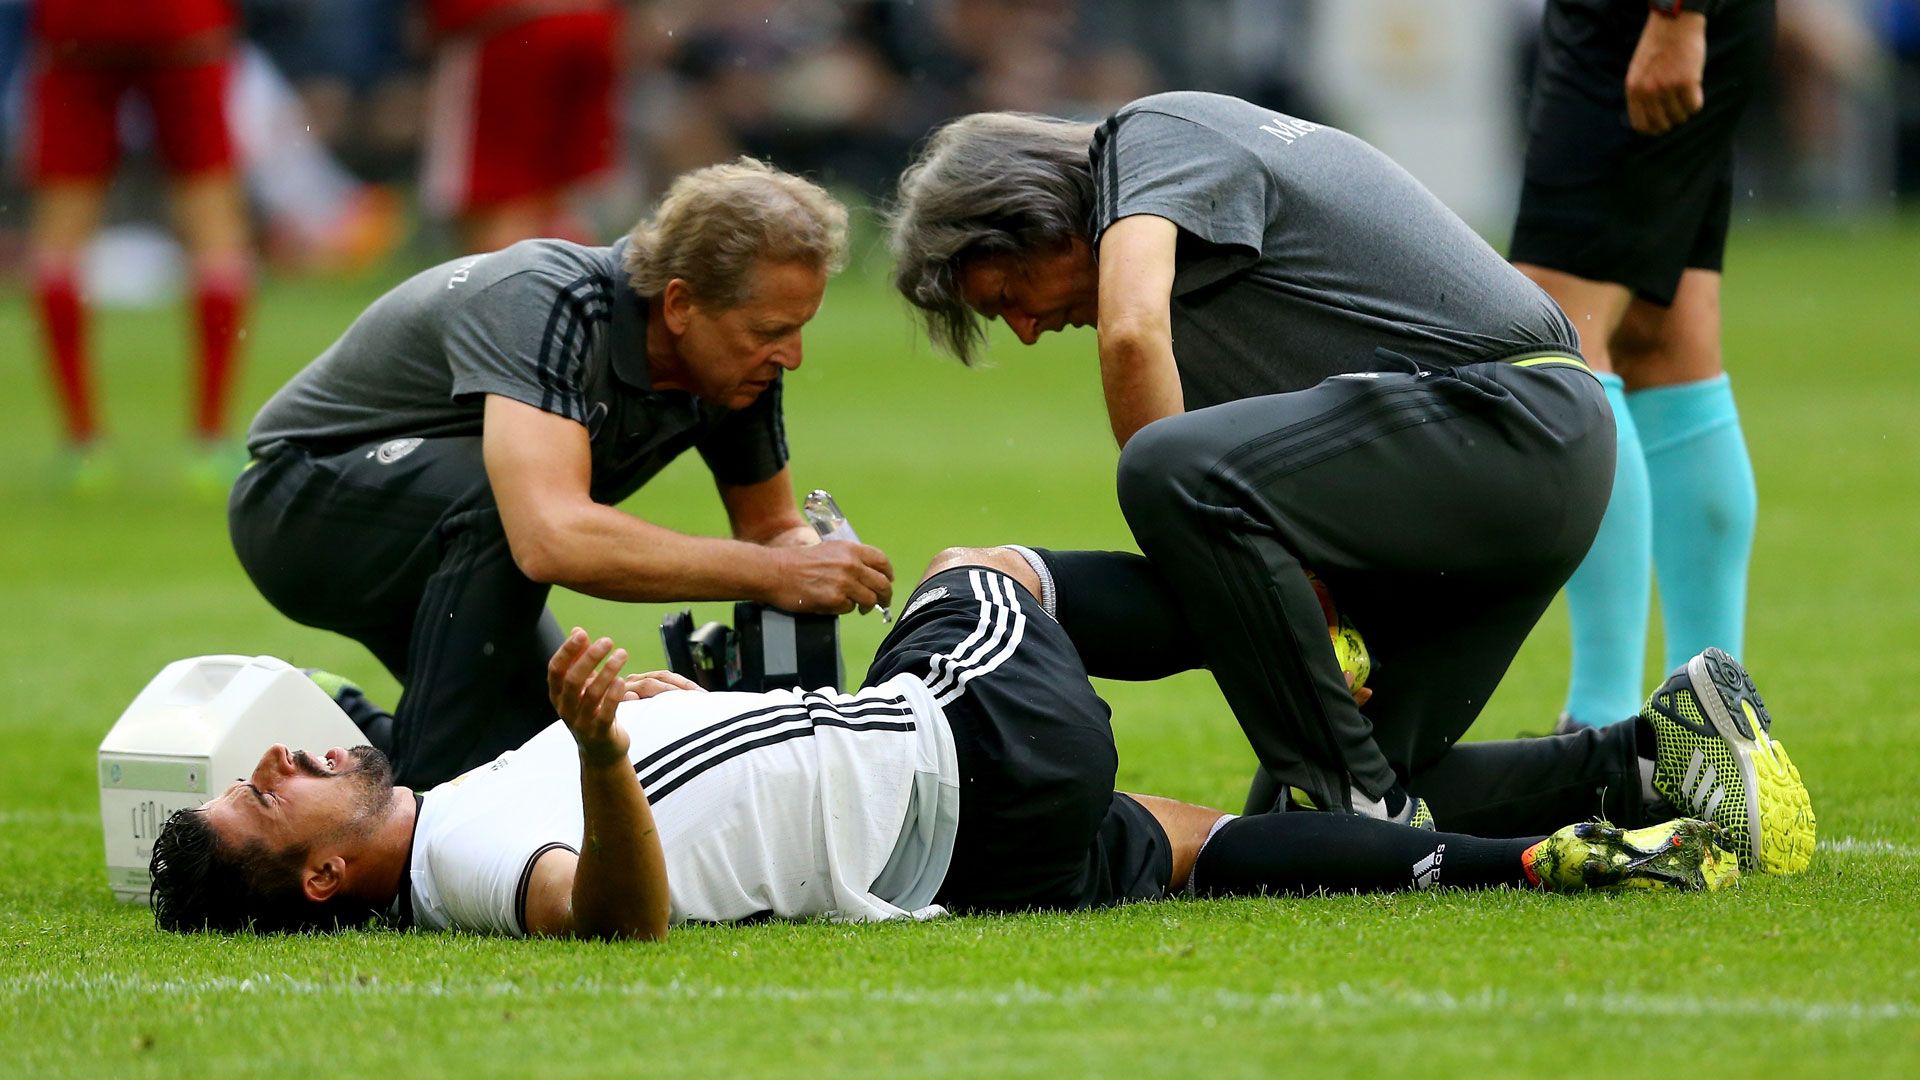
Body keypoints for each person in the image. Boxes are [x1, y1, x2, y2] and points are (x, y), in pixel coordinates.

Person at [884, 91, 1813, 876]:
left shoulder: (1146, 137)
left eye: (1006, 296)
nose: (1027, 331)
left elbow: (1139, 355)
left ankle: (1357, 798)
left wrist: (1069, 558)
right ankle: (1660, 759)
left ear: (1032, 209)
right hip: (1508, 467)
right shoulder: (1205, 300)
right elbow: (1266, 521)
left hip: (1510, 423)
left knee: (1168, 469)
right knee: (1306, 821)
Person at [148, 545, 1748, 939]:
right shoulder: (472, 858)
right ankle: (1298, 623)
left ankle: (1539, 859)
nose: (274, 762)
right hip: (952, 744)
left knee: (1194, 848)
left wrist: (663, 709)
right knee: (985, 572)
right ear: (321, 879)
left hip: (954, 852)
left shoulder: (455, 808)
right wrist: (613, 750)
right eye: (258, 802)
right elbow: (613, 916)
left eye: (255, 764)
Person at [228, 158, 894, 790]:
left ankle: (335, 718)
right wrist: (781, 573)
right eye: (772, 329)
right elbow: (548, 537)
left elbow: (770, 531)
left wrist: (820, 563)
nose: (794, 355)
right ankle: (419, 815)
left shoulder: (740, 367)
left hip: (458, 538)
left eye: (800, 327)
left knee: (541, 750)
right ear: (680, 304)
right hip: (298, 504)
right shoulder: (548, 299)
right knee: (507, 508)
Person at [1510, 0, 1775, 734]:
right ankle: (1714, 740)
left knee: (1553, 339)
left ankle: (1603, 728)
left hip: (1639, 22)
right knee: (1665, 344)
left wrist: (1676, 14)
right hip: (1649, 22)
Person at [24, 0, 252, 494]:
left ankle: (82, 445)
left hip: (77, 25)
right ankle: (210, 441)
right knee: (213, 222)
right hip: (180, 20)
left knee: (60, 232)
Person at [422, 0, 620, 252]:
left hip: (505, 25)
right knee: (555, 192)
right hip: (589, 17)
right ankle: (578, 278)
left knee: (498, 194)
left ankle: (523, 283)